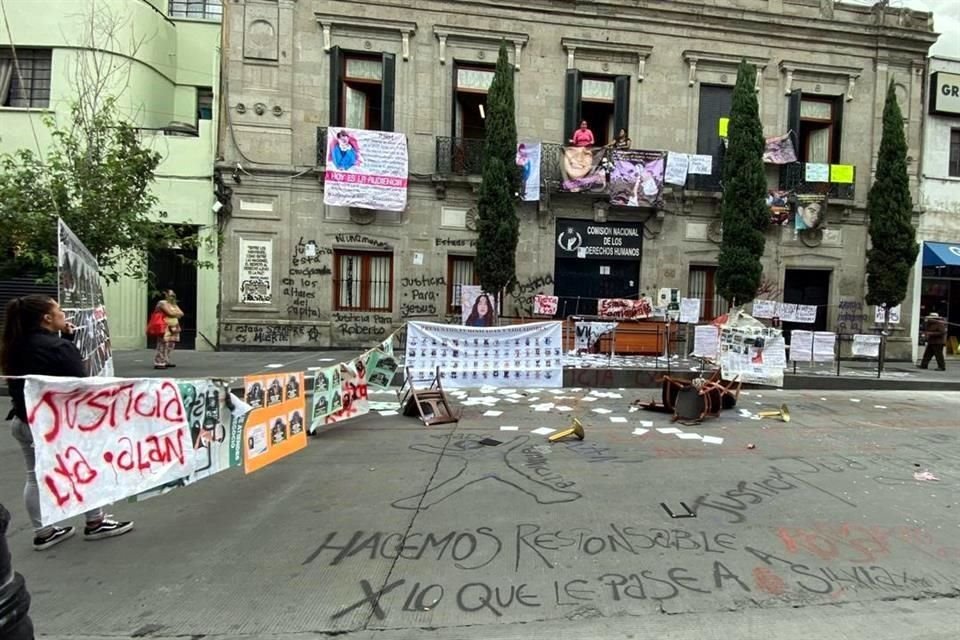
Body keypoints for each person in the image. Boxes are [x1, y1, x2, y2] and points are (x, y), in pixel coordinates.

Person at [1, 295, 133, 551]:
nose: (64, 314)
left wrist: (65, 341)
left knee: (35, 476)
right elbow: (78, 382)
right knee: (87, 465)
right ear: (47, 318)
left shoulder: (16, 343)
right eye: (59, 310)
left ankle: (44, 531)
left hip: (24, 420)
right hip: (57, 425)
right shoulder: (57, 348)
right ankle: (95, 521)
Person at [153, 289, 184, 370]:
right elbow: (170, 313)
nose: (172, 297)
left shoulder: (174, 304)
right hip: (165, 326)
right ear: (165, 294)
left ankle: (166, 360)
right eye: (171, 295)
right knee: (163, 344)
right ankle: (159, 362)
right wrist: (175, 314)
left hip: (174, 326)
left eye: (174, 295)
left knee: (171, 345)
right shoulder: (162, 303)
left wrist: (175, 314)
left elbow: (181, 313)